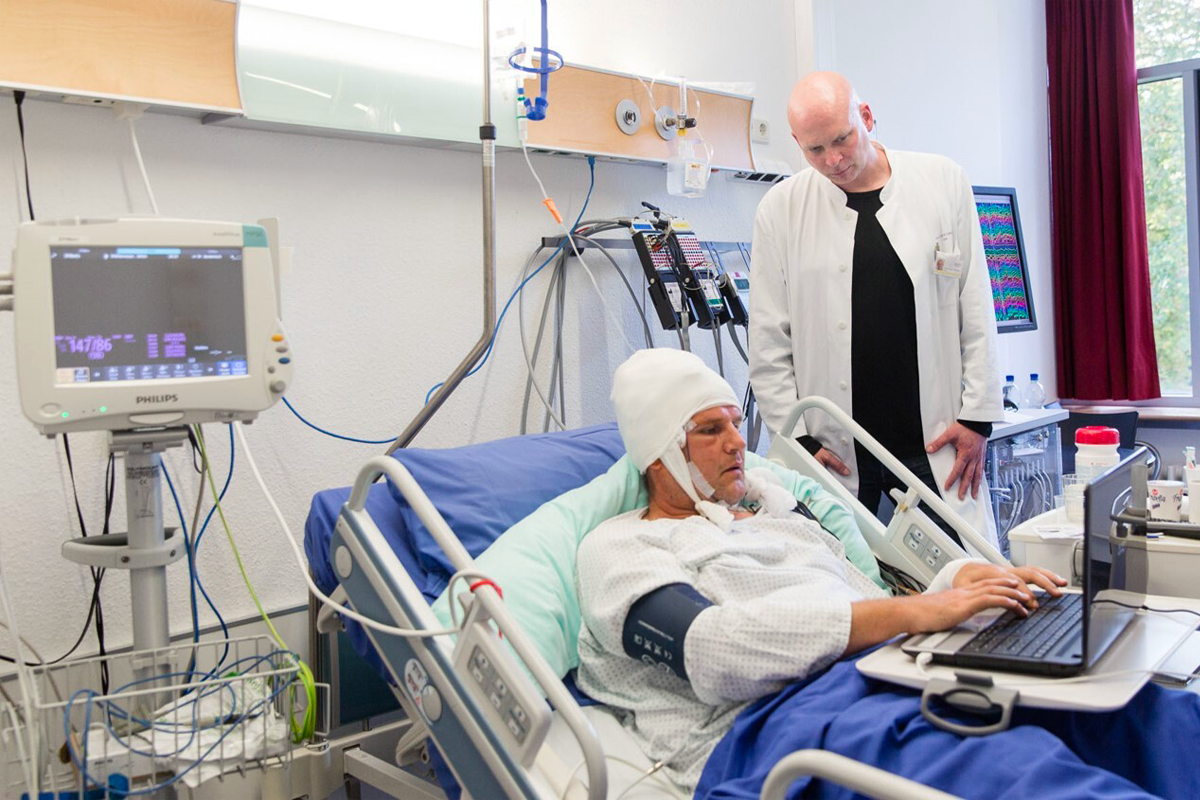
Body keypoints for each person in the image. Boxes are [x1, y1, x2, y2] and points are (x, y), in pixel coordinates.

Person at [577, 350, 1199, 798]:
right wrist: (915, 614)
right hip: (784, 720)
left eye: (735, 424)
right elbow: (712, 650)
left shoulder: (773, 511)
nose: (738, 443)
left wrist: (959, 583)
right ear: (659, 452)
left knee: (1135, 714)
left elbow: (865, 595)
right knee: (1022, 774)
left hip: (897, 666)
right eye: (710, 431)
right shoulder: (623, 549)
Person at [748, 71, 1003, 549]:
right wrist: (798, 442)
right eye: (815, 150)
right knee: (848, 587)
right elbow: (768, 342)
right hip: (836, 446)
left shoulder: (942, 181)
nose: (834, 160)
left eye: (841, 140)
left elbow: (976, 306)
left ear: (865, 116)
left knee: (966, 579)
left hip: (935, 438)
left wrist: (977, 418)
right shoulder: (780, 210)